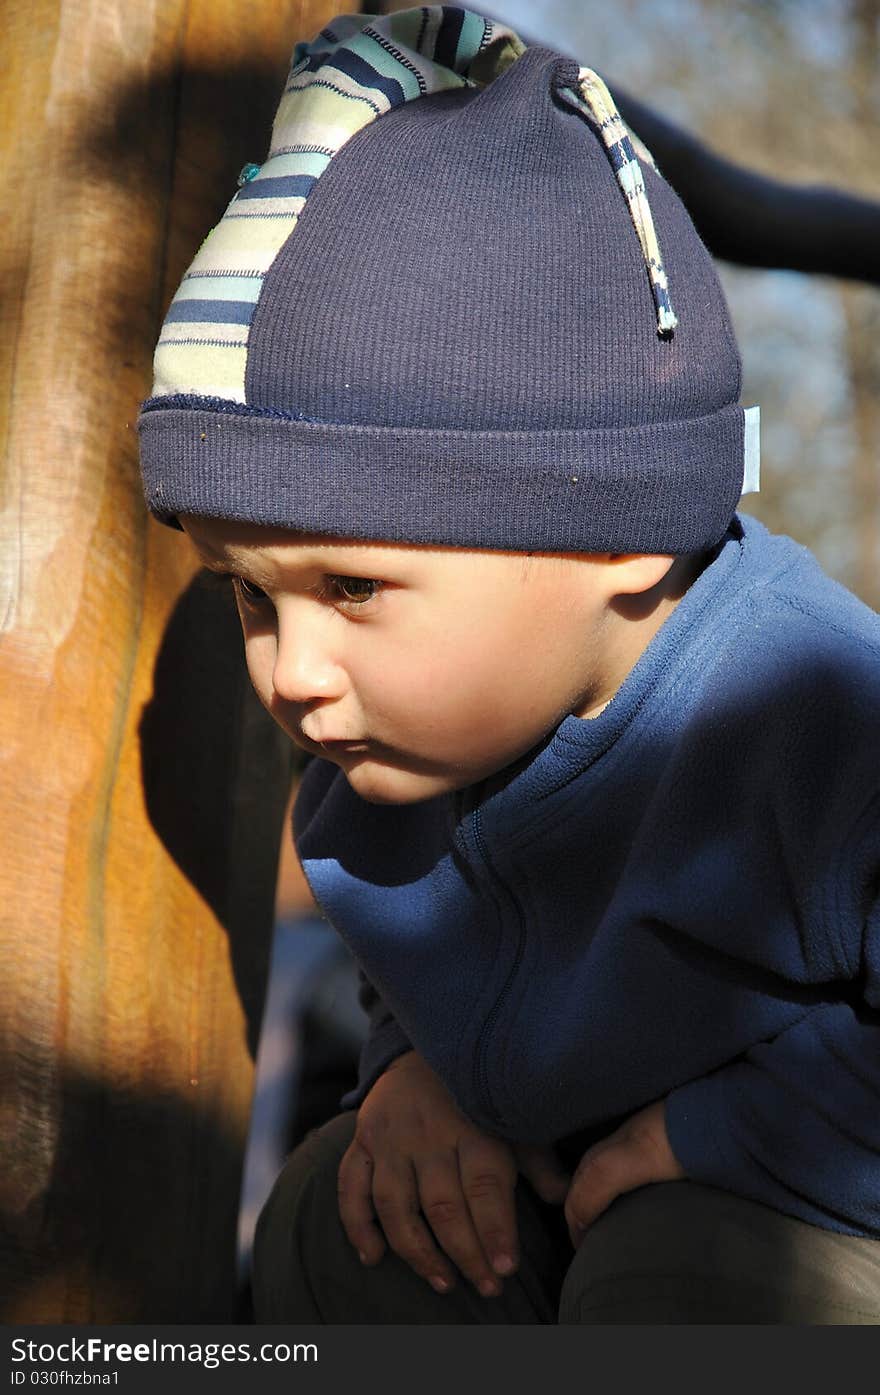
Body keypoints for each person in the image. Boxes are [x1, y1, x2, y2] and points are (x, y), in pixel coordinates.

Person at [137, 7, 880, 1323]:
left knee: (702, 1273)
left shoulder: (816, 721)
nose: (294, 674)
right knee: (348, 1218)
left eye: (352, 588)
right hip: (560, 1186)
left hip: (813, 1200)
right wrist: (415, 1076)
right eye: (251, 597)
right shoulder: (398, 749)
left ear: (623, 539)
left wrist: (735, 1139)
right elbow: (426, 956)